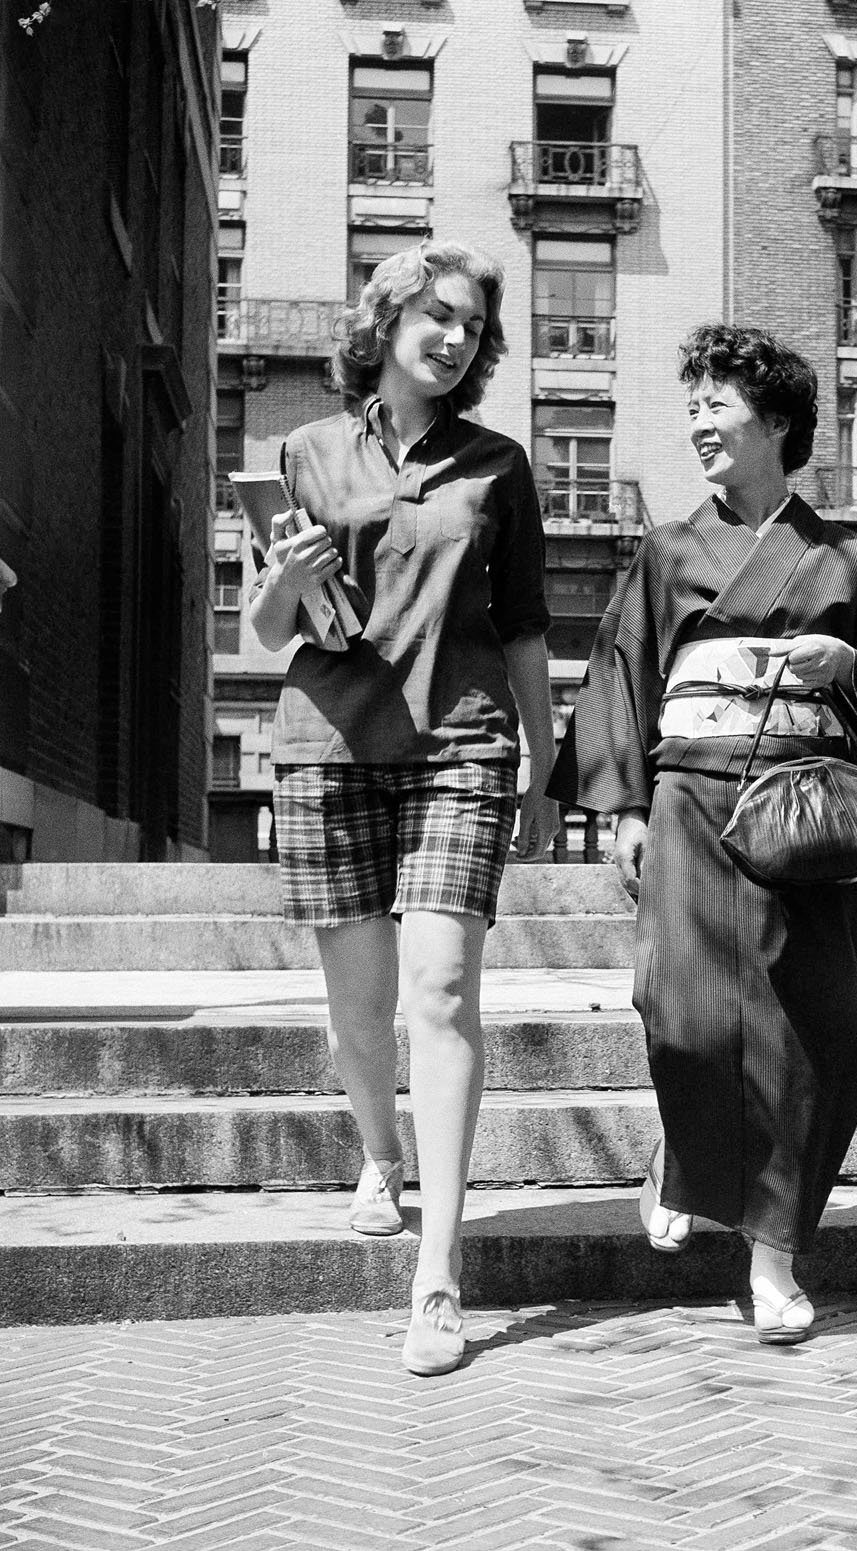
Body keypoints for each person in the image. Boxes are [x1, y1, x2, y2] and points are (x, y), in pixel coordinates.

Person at [550, 323, 857, 1344]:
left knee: (817, 1035)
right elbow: (619, 674)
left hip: (804, 809)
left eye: (716, 408)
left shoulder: (843, 557)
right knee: (679, 1009)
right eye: (695, 410)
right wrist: (623, 808)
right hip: (692, 798)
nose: (700, 426)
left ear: (774, 421)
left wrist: (845, 664)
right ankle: (684, 1146)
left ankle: (774, 1258)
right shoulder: (668, 551)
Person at [248, 240, 558, 1376]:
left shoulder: (498, 467)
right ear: (383, 322)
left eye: (470, 325)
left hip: (460, 747)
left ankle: (440, 1271)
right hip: (325, 745)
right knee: (358, 1012)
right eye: (433, 315)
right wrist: (290, 572)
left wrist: (539, 765)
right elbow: (269, 631)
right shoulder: (304, 452)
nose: (451, 336)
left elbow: (525, 627)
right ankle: (379, 1152)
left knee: (440, 994)